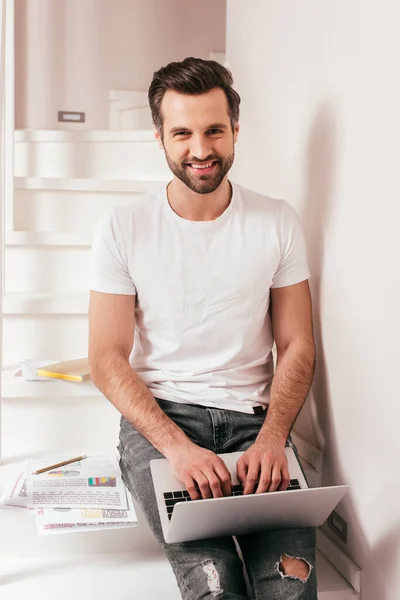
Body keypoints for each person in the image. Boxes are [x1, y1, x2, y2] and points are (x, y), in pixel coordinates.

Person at [89, 57, 317, 599]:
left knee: (289, 585)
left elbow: (297, 342)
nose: (200, 149)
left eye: (214, 130)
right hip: (163, 425)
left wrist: (273, 439)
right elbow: (106, 357)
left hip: (256, 425)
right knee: (213, 584)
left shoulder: (277, 221)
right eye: (182, 133)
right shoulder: (123, 228)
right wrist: (176, 448)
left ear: (235, 129)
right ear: (160, 137)